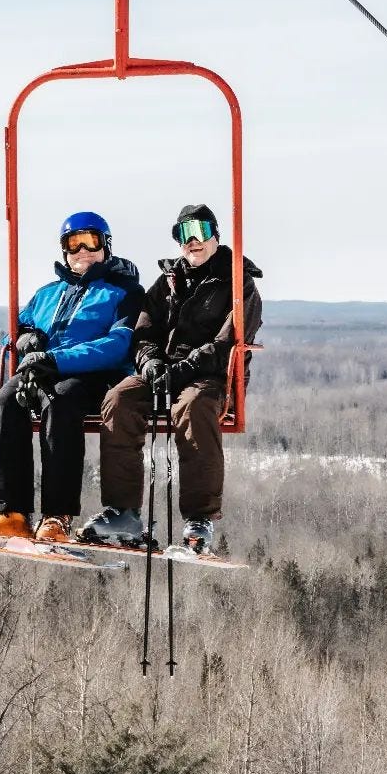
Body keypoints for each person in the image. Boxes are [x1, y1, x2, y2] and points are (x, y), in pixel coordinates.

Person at [83, 204, 262, 553]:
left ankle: (199, 518)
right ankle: (123, 512)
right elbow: (144, 330)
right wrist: (149, 362)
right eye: (183, 234)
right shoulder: (168, 281)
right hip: (164, 372)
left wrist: (183, 368)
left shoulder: (239, 282)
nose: (192, 242)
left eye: (199, 232)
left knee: (194, 410)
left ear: (215, 234)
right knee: (119, 399)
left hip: (209, 378)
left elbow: (228, 343)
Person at [0, 212, 145, 543]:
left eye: (91, 241)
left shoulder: (122, 292)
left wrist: (56, 359)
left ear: (106, 246)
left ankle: (57, 514)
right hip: (40, 371)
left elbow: (119, 343)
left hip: (91, 375)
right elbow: (14, 332)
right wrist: (25, 338)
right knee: (5, 403)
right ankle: (12, 512)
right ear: (64, 249)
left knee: (61, 402)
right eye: (73, 243)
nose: (82, 251)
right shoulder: (47, 294)